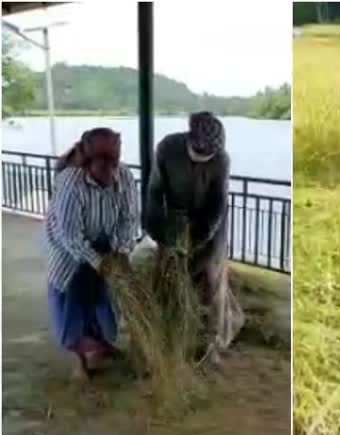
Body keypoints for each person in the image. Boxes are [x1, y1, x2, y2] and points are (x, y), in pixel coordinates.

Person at [145, 112, 244, 364]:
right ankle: (168, 334)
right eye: (198, 156)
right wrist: (159, 232)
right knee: (170, 276)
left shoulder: (221, 160)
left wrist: (199, 238)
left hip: (211, 224)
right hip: (175, 221)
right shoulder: (167, 148)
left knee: (212, 278)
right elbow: (155, 191)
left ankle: (213, 341)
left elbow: (217, 204)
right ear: (188, 139)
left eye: (207, 158)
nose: (203, 161)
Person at [45, 128, 139, 379]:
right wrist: (99, 264)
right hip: (69, 256)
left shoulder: (125, 176)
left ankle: (103, 345)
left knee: (105, 309)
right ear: (86, 162)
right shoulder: (70, 182)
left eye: (114, 161)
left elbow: (129, 219)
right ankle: (81, 361)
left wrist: (120, 252)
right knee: (69, 322)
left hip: (107, 249)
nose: (110, 169)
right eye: (103, 162)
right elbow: (70, 237)